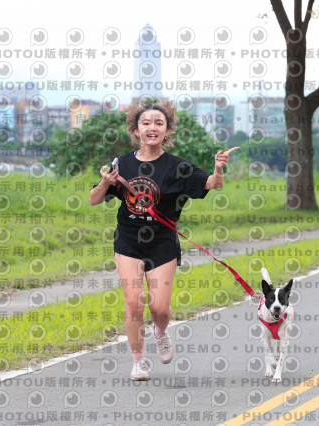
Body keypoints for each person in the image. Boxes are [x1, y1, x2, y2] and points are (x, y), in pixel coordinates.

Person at [89, 99, 239, 380]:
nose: (152, 127)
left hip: (162, 243)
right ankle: (138, 360)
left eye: (159, 123)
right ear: (136, 130)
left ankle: (160, 331)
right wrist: (106, 182)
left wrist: (219, 167)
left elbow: (213, 183)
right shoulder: (121, 163)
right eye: (146, 123)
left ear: (167, 130)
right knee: (134, 303)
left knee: (158, 308)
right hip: (128, 242)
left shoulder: (177, 167)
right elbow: (94, 199)